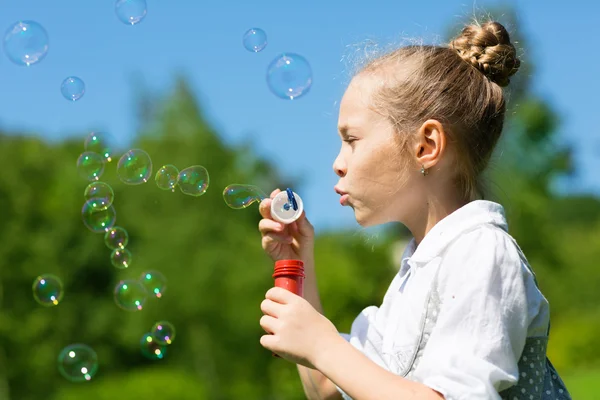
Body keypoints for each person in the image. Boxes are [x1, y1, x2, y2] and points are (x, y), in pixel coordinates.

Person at [257, 20, 571, 400]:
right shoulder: (415, 274)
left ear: (426, 145)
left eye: (352, 140)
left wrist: (323, 345)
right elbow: (327, 386)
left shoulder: (481, 253)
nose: (337, 163)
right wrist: (298, 264)